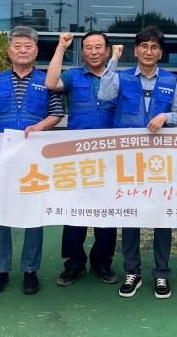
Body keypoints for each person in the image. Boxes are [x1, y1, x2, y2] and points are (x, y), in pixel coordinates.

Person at [0, 26, 63, 296]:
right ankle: (1, 269)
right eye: (17, 46)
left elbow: (57, 112)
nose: (23, 50)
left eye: (28, 46)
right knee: (1, 212)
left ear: (36, 50)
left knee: (34, 211)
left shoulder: (47, 81)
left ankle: (30, 269)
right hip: (2, 154)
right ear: (9, 51)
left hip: (35, 155)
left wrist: (39, 126)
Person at [98, 26, 177, 299]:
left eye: (154, 47)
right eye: (144, 46)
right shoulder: (120, 77)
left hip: (161, 160)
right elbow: (104, 95)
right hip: (128, 160)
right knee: (130, 215)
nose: (149, 51)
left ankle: (162, 273)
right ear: (136, 51)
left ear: (161, 53)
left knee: (161, 215)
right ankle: (132, 271)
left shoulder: (170, 80)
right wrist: (113, 59)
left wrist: (165, 117)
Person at [44, 31, 123, 287]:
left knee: (107, 211)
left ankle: (102, 262)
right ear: (82, 51)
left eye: (98, 47)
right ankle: (74, 263)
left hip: (111, 155)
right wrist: (60, 47)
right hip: (78, 155)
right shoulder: (73, 75)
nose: (93, 51)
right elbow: (50, 83)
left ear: (107, 50)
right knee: (75, 210)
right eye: (88, 47)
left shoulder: (119, 77)